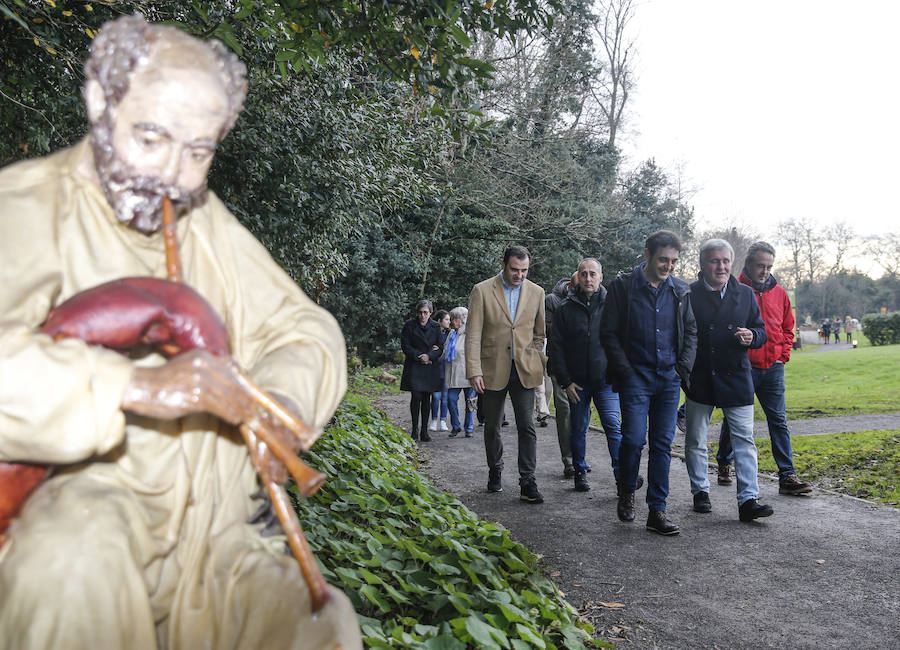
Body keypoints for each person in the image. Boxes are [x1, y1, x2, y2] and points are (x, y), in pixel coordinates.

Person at [0, 15, 361, 649]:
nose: (172, 172)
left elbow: (304, 328)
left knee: (323, 630)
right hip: (85, 516)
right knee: (66, 572)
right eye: (152, 137)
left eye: (198, 151)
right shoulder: (28, 206)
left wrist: (285, 400)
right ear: (99, 101)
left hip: (217, 537)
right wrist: (135, 385)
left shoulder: (202, 219)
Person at [600, 230, 697, 536]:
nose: (668, 265)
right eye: (662, 259)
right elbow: (608, 333)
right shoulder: (623, 288)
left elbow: (691, 331)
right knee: (632, 440)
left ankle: (657, 510)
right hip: (635, 378)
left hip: (669, 379)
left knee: (662, 446)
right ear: (647, 255)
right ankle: (627, 490)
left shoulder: (681, 292)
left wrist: (682, 368)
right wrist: (626, 372)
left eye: (673, 261)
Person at [683, 239, 774, 523]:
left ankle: (748, 500)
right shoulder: (688, 294)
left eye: (725, 261)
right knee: (696, 439)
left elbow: (761, 330)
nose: (721, 266)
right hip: (701, 376)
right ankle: (700, 491)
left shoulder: (744, 294)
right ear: (703, 263)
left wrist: (752, 337)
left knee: (744, 441)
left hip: (736, 375)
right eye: (714, 260)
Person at [716, 242, 813, 496]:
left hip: (773, 368)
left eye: (769, 266)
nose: (765, 271)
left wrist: (782, 355)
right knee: (735, 420)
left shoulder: (780, 293)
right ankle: (724, 462)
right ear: (748, 263)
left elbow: (787, 327)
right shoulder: (733, 290)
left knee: (778, 421)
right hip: (743, 367)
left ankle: (787, 476)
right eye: (761, 266)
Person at [466, 245, 547, 503]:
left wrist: (536, 358)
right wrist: (474, 370)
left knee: (527, 426)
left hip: (524, 369)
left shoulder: (537, 292)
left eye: (524, 270)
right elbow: (473, 334)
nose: (519, 275)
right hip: (491, 368)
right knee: (492, 426)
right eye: (514, 269)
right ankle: (495, 469)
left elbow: (539, 333)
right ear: (503, 264)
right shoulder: (482, 290)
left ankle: (528, 481)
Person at [549, 258, 622, 493]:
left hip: (606, 381)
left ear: (601, 277)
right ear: (577, 278)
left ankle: (622, 475)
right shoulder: (565, 309)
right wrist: (566, 381)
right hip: (577, 382)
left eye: (593, 274)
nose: (588, 278)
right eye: (584, 274)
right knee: (578, 427)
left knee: (613, 426)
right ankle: (579, 471)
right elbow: (556, 348)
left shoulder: (614, 305)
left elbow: (622, 342)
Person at [545, 275, 576, 477]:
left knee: (580, 412)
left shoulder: (588, 298)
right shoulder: (551, 300)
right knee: (564, 410)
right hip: (559, 363)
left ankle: (579, 456)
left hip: (582, 366)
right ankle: (569, 460)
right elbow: (547, 329)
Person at [400, 300, 443, 442]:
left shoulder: (436, 327)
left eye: (425, 312)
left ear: (430, 313)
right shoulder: (409, 326)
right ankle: (414, 429)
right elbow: (405, 346)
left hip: (430, 366)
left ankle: (424, 431)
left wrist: (429, 356)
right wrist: (420, 356)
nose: (422, 315)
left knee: (426, 399)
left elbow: (441, 347)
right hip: (415, 365)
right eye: (420, 312)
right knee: (416, 397)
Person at [444, 307, 477, 437]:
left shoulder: (470, 334)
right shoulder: (452, 334)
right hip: (453, 375)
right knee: (451, 400)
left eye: (454, 319)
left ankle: (469, 428)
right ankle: (456, 426)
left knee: (470, 402)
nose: (452, 321)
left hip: (468, 374)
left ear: (462, 320)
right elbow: (445, 352)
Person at [429, 309, 451, 431]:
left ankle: (443, 420)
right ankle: (433, 420)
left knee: (445, 397)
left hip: (447, 369)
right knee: (436, 397)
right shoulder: (433, 333)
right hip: (435, 369)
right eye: (447, 319)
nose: (449, 322)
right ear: (439, 321)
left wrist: (442, 348)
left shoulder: (451, 334)